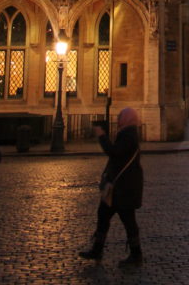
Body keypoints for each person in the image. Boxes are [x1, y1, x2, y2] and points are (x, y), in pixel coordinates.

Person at [78, 107, 144, 266]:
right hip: (117, 187)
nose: (118, 119)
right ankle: (97, 248)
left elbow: (114, 152)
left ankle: (136, 254)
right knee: (103, 215)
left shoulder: (129, 135)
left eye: (121, 116)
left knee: (128, 220)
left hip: (124, 188)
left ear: (128, 119)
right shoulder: (127, 133)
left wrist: (102, 136)